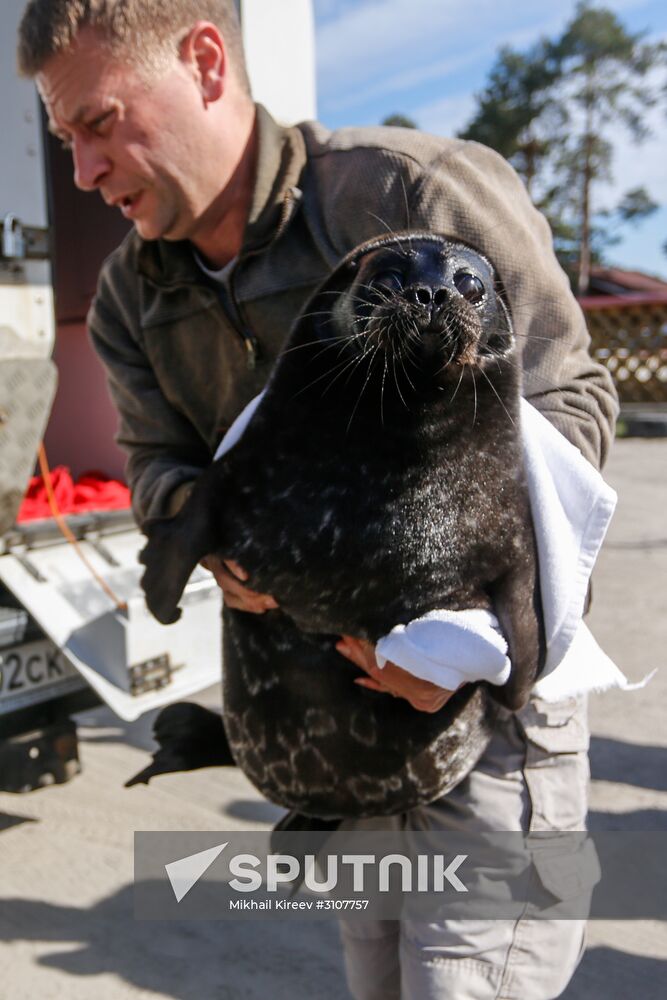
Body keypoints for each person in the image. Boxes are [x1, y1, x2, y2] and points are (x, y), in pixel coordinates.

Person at [18, 2, 617, 997]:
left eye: (98, 122)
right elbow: (157, 465)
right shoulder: (130, 294)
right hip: (334, 718)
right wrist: (215, 543)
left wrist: (470, 638)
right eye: (63, 139)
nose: (82, 172)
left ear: (205, 62)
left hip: (486, 702)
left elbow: (572, 399)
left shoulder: (411, 192)